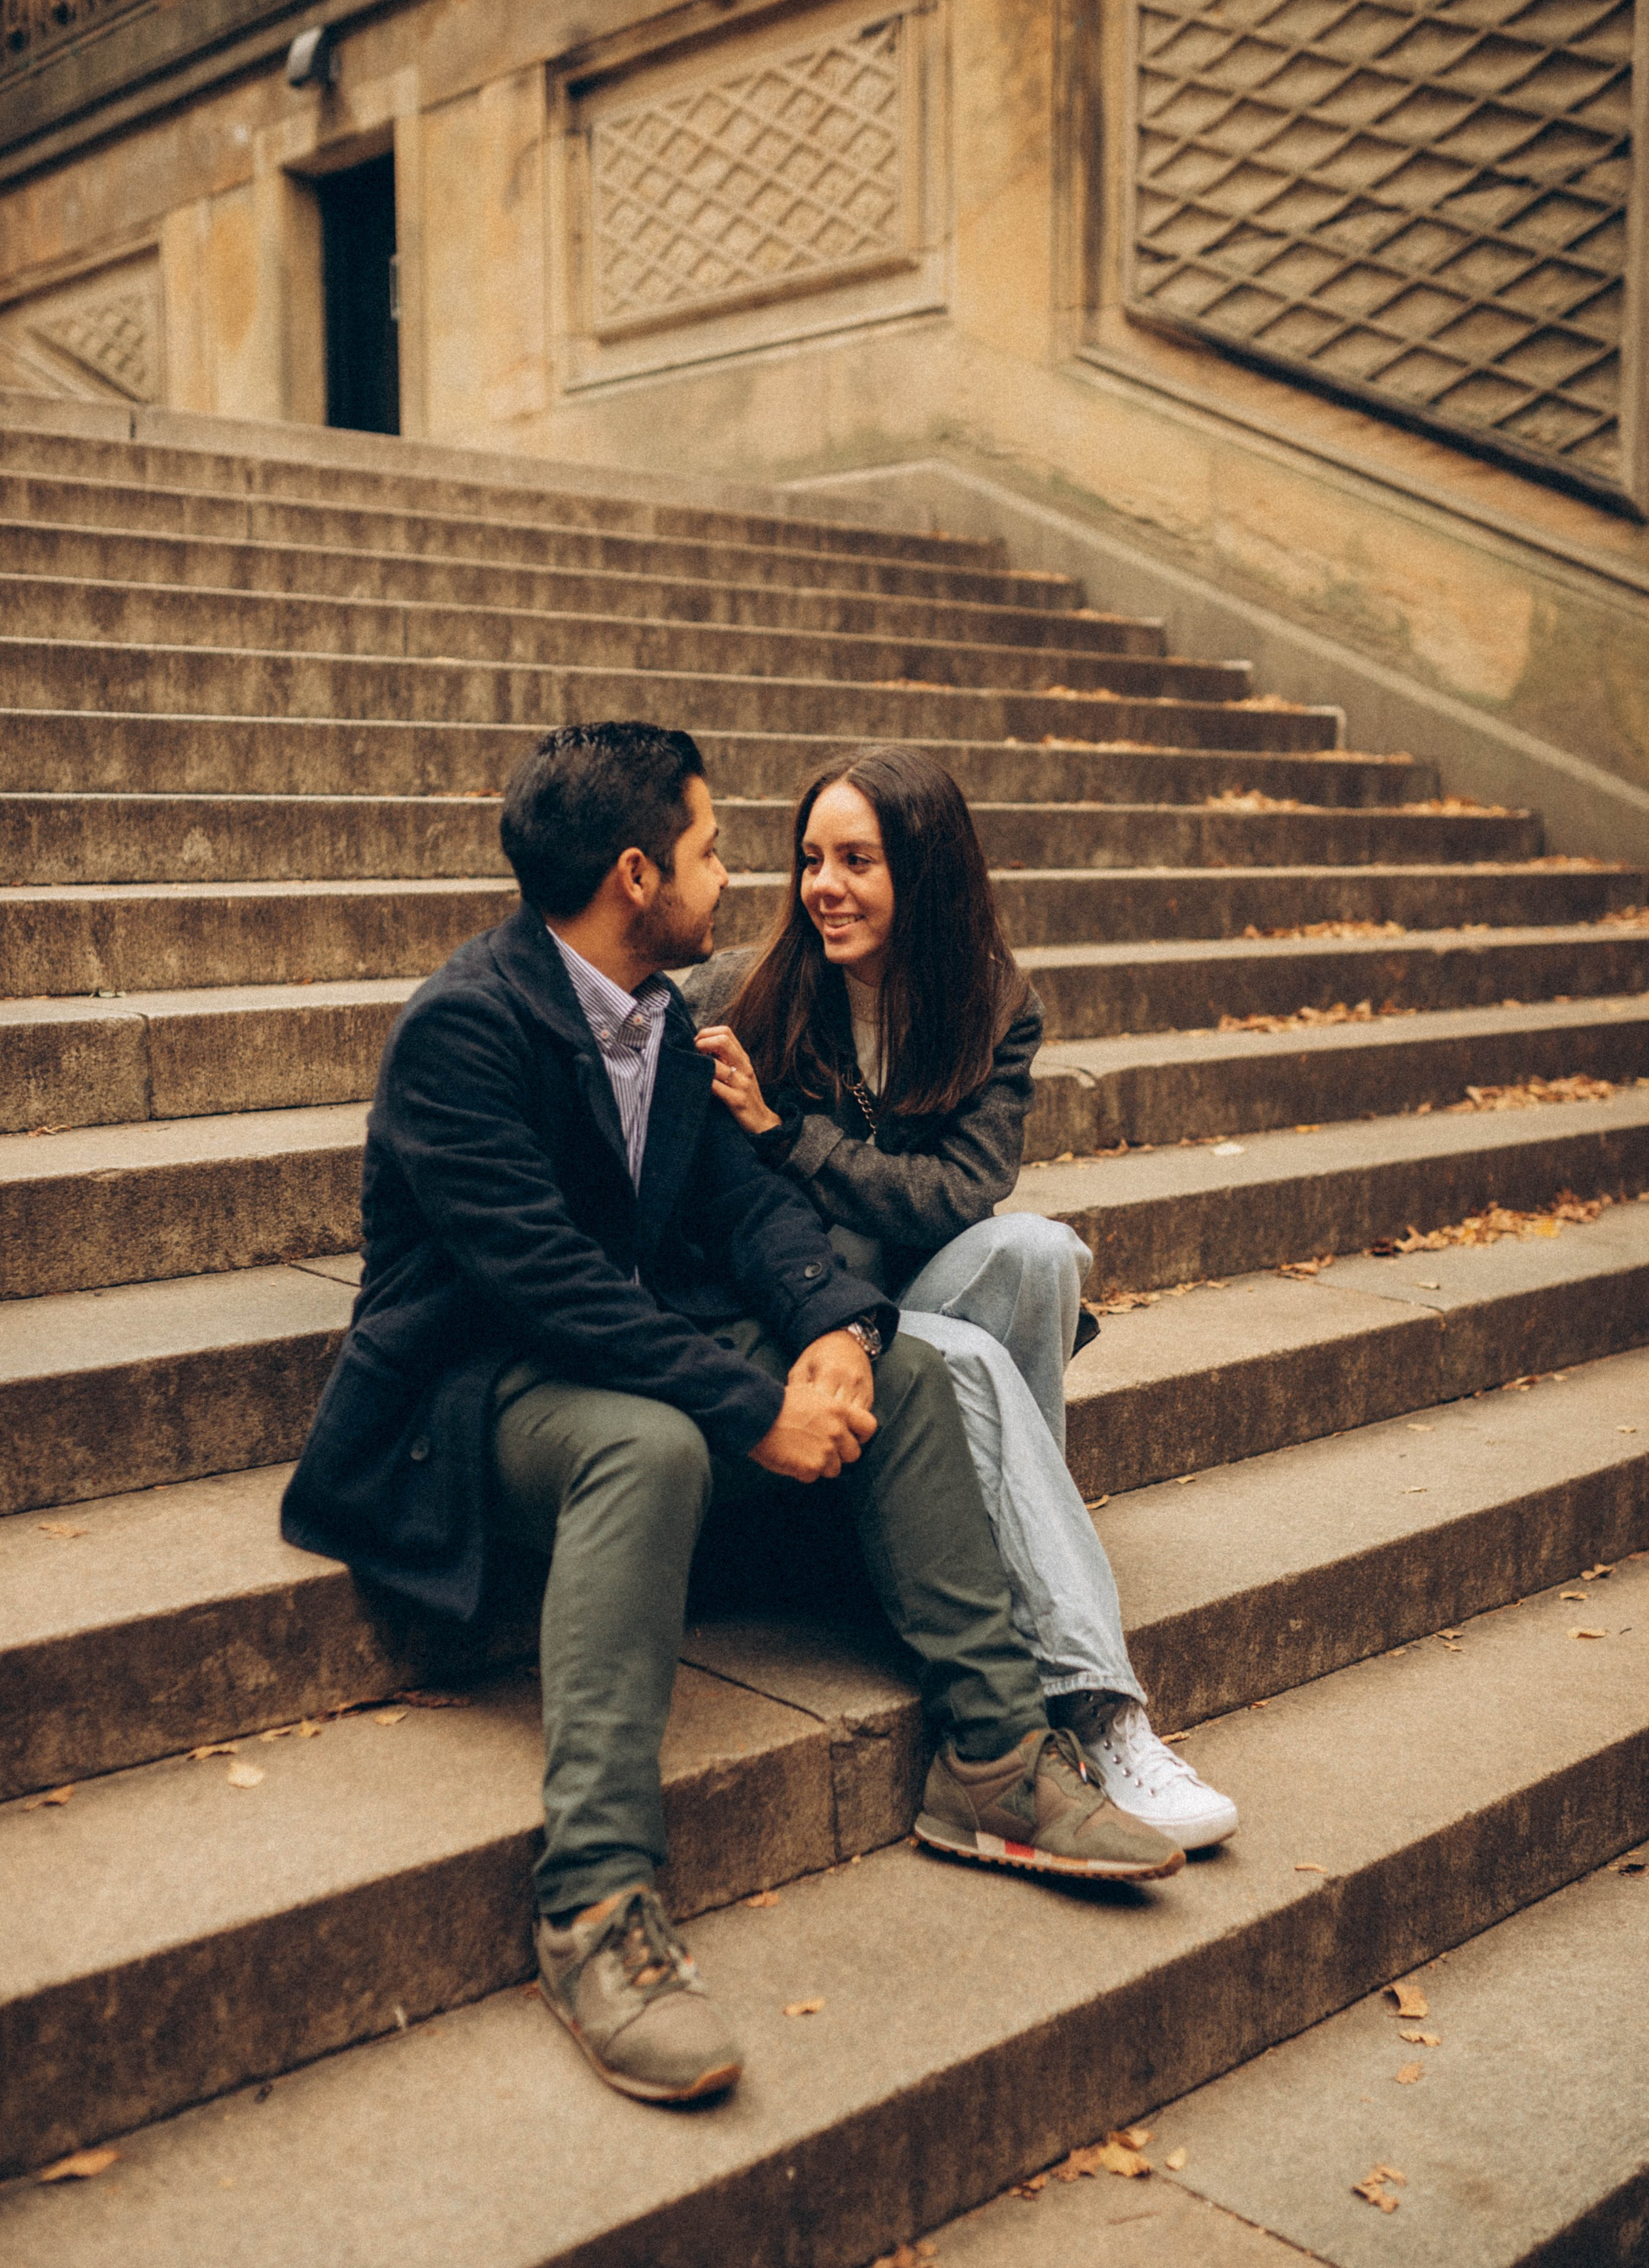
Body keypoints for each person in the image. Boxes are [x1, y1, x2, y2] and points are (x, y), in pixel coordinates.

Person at [283, 721, 1185, 2114]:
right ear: (637, 873)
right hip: (472, 1395)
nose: (736, 873)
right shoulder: (463, 1029)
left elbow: (753, 1212)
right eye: (713, 848)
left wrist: (832, 1329)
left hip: (636, 1353)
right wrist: (755, 1403)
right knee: (640, 1444)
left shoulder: (670, 1010)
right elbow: (550, 1287)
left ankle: (994, 1761)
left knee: (920, 1364)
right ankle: (593, 1903)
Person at [682, 745, 1237, 1853]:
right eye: (810, 859)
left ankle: (1001, 1564)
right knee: (964, 1359)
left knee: (1036, 1252)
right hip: (809, 1318)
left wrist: (790, 1137)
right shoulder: (746, 990)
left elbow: (958, 1197)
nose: (823, 886)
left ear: (924, 871)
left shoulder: (990, 1005)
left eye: (856, 861)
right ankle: (1096, 1705)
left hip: (921, 1280)